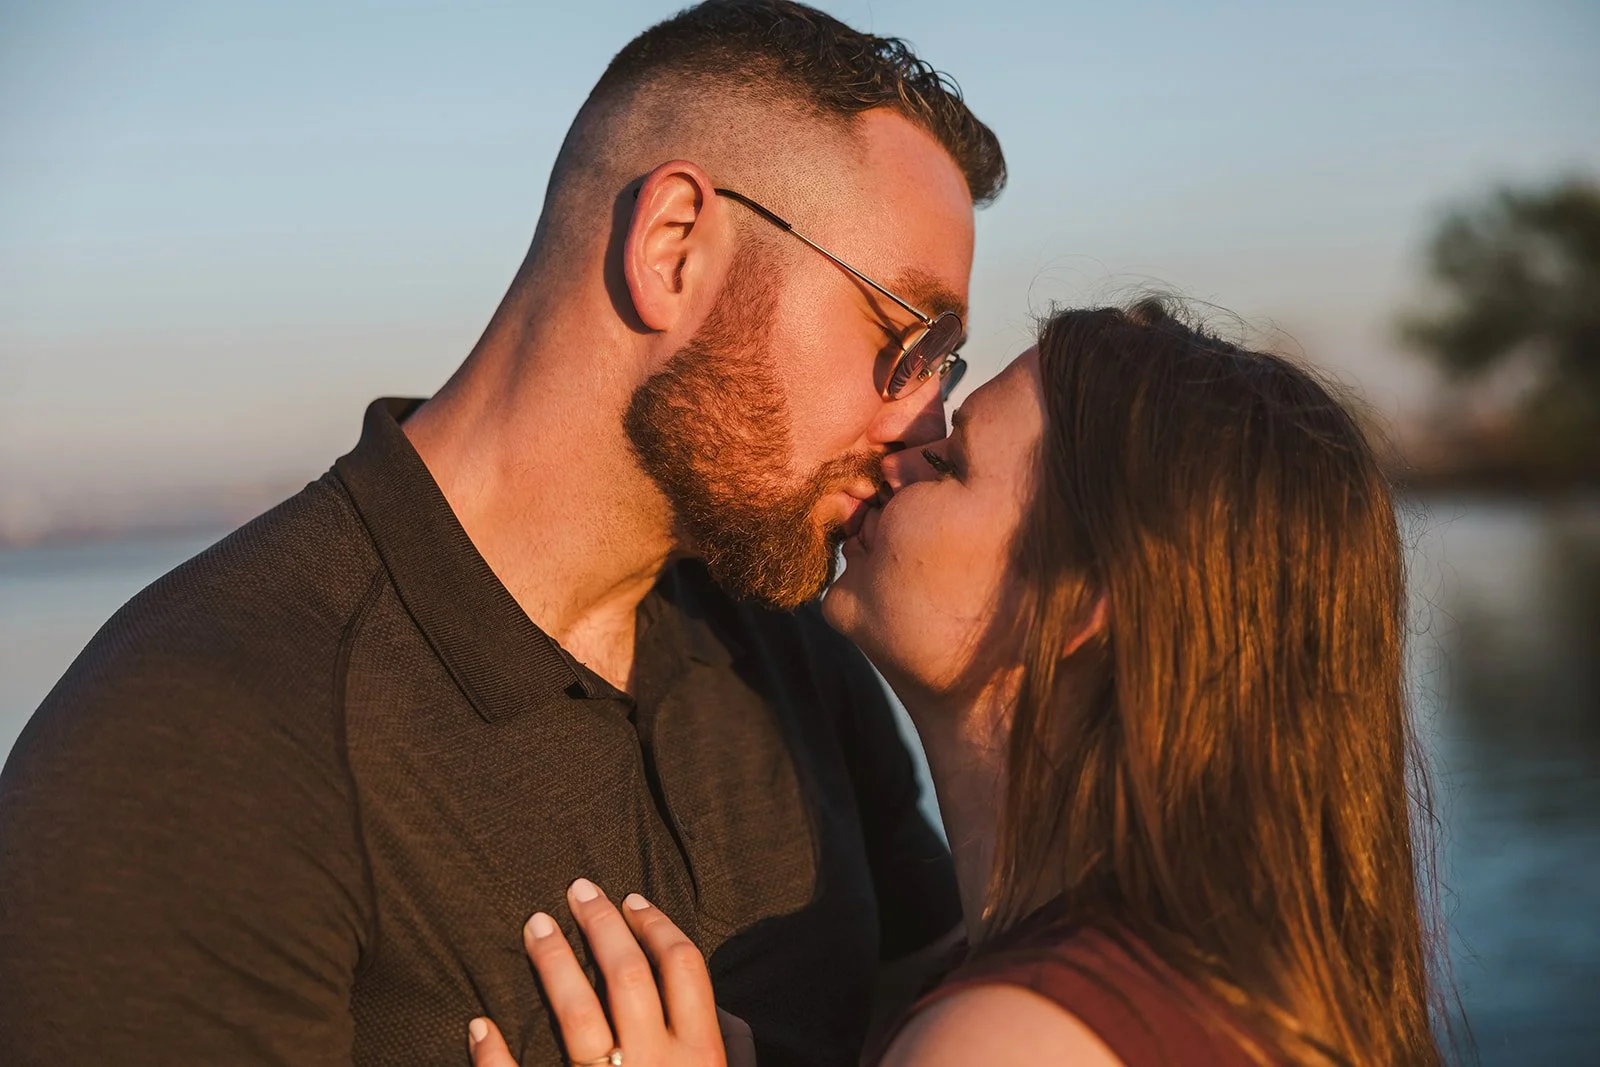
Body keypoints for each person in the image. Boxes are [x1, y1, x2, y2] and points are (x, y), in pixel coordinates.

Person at [0, 4, 1007, 1065]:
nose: (924, 425)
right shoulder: (194, 745)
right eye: (905, 338)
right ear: (672, 248)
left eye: (946, 368)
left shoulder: (787, 647)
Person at [469, 300, 1447, 1067]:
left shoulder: (1013, 1038)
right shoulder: (1217, 976)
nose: (899, 456)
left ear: (1082, 600)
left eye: (955, 459)